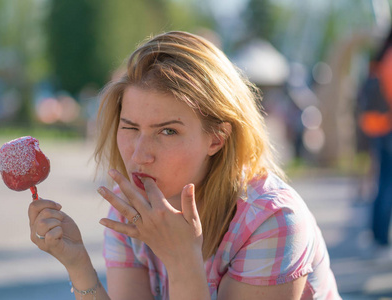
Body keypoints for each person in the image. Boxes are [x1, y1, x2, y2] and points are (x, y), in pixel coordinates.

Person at [28, 31, 341, 299]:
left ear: (216, 138)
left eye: (168, 131)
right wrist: (79, 265)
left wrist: (182, 260)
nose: (139, 156)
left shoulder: (272, 222)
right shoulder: (130, 207)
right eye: (131, 127)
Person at [358, 27, 392, 251]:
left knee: (383, 180)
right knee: (387, 183)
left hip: (377, 125)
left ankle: (377, 234)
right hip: (388, 126)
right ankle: (380, 237)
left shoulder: (381, 56)